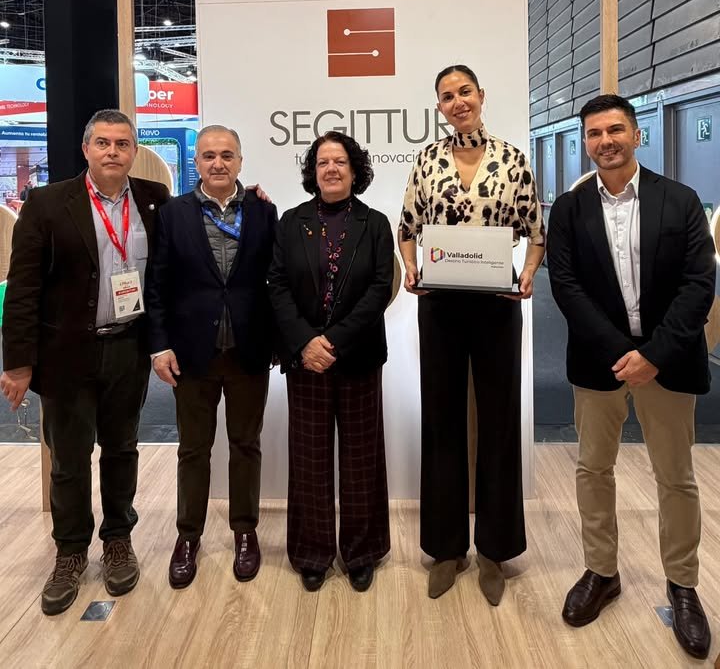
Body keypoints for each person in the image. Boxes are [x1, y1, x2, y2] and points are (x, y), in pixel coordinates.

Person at [546, 93, 715, 660]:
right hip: (600, 361)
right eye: (595, 134)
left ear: (638, 135)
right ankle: (602, 572)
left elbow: (699, 284)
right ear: (585, 142)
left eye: (615, 130)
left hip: (670, 360)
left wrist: (655, 354)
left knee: (676, 477)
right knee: (594, 468)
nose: (606, 142)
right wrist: (622, 351)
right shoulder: (569, 210)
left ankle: (683, 585)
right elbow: (566, 286)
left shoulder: (680, 200)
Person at [0, 109, 170, 615]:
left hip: (128, 349)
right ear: (86, 149)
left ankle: (118, 539)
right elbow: (23, 288)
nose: (112, 152)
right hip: (66, 354)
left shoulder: (155, 200)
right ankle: (70, 552)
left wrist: (253, 197)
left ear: (134, 151)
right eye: (103, 143)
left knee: (122, 449)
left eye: (122, 143)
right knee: (69, 460)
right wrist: (18, 363)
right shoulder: (48, 203)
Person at [398, 64, 545, 602]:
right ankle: (446, 548)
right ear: (439, 107)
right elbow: (407, 227)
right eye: (447, 96)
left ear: (481, 96)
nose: (457, 101)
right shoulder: (427, 160)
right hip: (439, 305)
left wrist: (528, 274)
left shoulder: (512, 159)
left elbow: (535, 232)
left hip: (497, 305)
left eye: (464, 92)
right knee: (441, 419)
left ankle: (495, 550)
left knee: (500, 421)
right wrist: (410, 267)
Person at [145, 125, 277, 589]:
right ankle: (188, 536)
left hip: (248, 350)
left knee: (246, 445)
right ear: (196, 162)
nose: (217, 163)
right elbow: (157, 285)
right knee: (193, 449)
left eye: (226, 155)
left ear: (240, 160)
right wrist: (159, 345)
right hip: (191, 354)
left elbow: (276, 280)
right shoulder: (173, 214)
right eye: (208, 156)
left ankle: (245, 532)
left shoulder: (264, 211)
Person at [268, 131, 394, 593]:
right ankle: (312, 553)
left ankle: (362, 552)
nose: (332, 169)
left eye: (340, 161)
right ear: (313, 171)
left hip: (357, 356)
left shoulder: (374, 223)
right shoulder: (291, 222)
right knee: (310, 460)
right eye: (323, 162)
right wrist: (306, 342)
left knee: (362, 459)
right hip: (306, 362)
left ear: (355, 170)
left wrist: (333, 341)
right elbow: (277, 285)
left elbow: (380, 289)